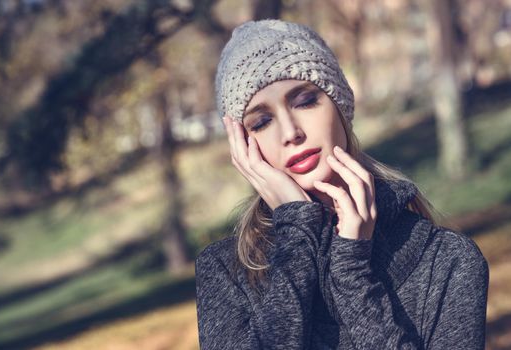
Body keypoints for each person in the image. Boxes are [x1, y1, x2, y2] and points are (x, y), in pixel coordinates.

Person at [194, 19, 489, 349]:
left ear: (340, 105)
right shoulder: (226, 272)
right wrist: (297, 233)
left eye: (304, 101)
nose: (291, 132)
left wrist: (352, 272)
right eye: (261, 122)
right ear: (243, 147)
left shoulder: (447, 260)